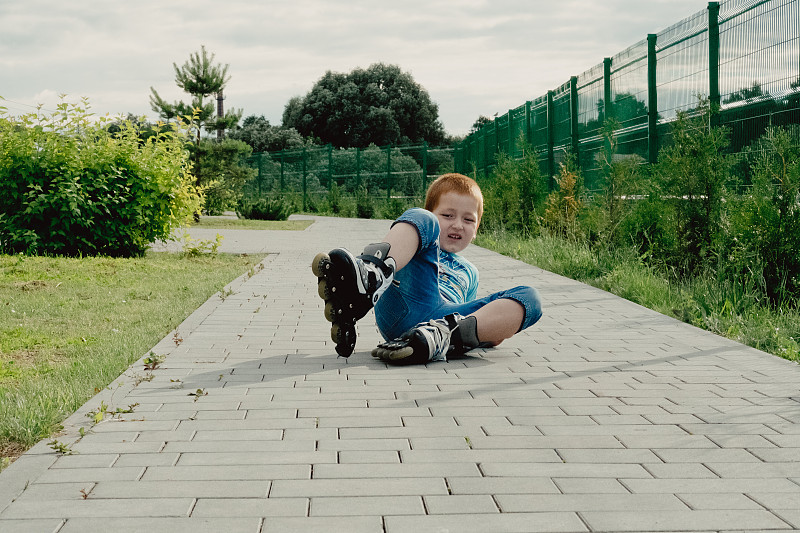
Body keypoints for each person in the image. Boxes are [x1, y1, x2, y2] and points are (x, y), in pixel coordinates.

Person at [312, 173, 542, 364]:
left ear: (477, 228)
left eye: (469, 220)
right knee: (418, 216)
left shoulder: (471, 272)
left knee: (530, 298)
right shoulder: (415, 245)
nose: (458, 225)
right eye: (447, 215)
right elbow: (421, 226)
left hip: (441, 321)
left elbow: (476, 319)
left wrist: (496, 327)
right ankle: (371, 278)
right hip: (404, 305)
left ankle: (441, 338)